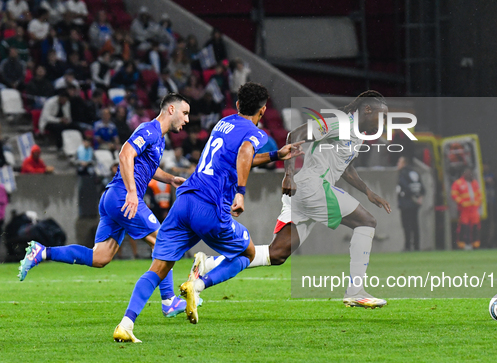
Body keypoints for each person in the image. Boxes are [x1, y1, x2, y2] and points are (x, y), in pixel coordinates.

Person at [113, 82, 303, 342]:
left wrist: (274, 156)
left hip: (185, 201)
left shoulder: (222, 123)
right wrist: (240, 192)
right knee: (246, 254)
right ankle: (198, 284)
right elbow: (245, 153)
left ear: (237, 106)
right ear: (263, 110)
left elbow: (237, 157)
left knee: (157, 269)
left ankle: (125, 324)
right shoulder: (256, 133)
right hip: (211, 208)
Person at [195, 91, 392, 309]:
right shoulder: (340, 122)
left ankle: (206, 266)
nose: (383, 123)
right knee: (367, 222)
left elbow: (346, 168)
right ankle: (356, 291)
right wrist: (288, 174)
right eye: (381, 117)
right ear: (367, 109)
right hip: (312, 187)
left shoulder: (357, 134)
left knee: (276, 254)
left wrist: (367, 191)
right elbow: (296, 134)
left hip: (305, 194)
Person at [18, 93, 191, 319]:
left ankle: (42, 252)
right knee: (163, 241)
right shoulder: (150, 130)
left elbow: (146, 165)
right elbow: (125, 154)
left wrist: (169, 179)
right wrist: (131, 192)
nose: (187, 119)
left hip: (113, 198)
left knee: (100, 257)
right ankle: (168, 300)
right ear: (171, 109)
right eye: (185, 113)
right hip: (123, 196)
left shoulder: (159, 138)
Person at [397, 156, 424, 251]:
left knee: (406, 225)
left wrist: (410, 196)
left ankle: (408, 246)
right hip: (415, 204)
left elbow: (405, 188)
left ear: (404, 163)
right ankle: (417, 246)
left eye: (399, 162)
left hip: (406, 203)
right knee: (415, 225)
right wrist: (419, 198)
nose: (398, 164)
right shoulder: (415, 172)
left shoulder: (403, 173)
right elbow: (422, 188)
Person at [451, 167, 482, 250]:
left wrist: (478, 202)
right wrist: (461, 202)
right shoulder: (458, 183)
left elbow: (479, 194)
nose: (470, 175)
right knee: (464, 227)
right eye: (468, 173)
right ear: (464, 174)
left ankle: (475, 244)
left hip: (474, 209)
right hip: (464, 209)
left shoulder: (474, 183)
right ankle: (462, 244)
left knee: (476, 227)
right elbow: (454, 195)